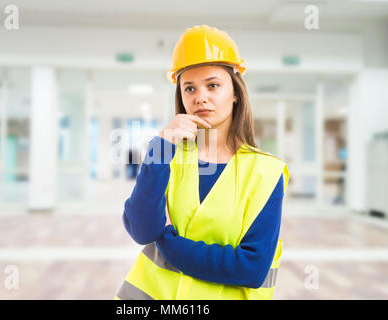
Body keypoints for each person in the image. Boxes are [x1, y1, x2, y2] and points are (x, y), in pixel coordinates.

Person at [116, 25, 289, 300]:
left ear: (235, 93)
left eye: (213, 85)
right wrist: (161, 146)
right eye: (189, 88)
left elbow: (252, 268)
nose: (200, 97)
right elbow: (142, 230)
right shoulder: (167, 155)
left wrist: (170, 246)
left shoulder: (266, 172)